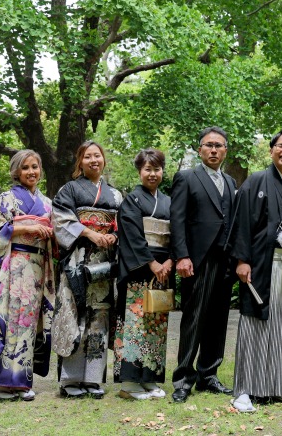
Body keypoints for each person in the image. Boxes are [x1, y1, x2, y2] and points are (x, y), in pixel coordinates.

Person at [230, 128, 282, 413]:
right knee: (256, 320)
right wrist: (242, 260)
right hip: (262, 264)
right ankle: (243, 389)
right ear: (271, 151)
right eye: (280, 146)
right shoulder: (256, 181)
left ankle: (281, 386)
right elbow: (241, 222)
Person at [0, 150, 55, 401]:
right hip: (13, 265)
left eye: (35, 166)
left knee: (27, 325)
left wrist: (50, 235)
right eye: (25, 167)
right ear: (16, 172)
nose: (31, 172)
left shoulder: (47, 203)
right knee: (7, 322)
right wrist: (26, 227)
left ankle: (21, 383)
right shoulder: (6, 198)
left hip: (37, 268)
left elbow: (55, 233)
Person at [51, 141, 123, 399]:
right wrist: (91, 233)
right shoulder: (69, 190)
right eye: (88, 156)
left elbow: (121, 223)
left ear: (104, 160)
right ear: (80, 162)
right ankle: (70, 381)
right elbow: (60, 220)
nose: (94, 160)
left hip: (104, 261)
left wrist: (114, 235)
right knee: (75, 315)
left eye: (98, 156)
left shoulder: (115, 194)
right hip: (78, 260)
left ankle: (93, 379)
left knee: (100, 318)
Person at [170, 126, 237, 403]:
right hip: (197, 260)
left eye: (218, 146)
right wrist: (182, 256)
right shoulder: (187, 178)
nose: (213, 150)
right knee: (194, 319)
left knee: (218, 320)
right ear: (200, 150)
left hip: (225, 259)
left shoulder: (231, 182)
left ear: (225, 151)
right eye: (208, 145)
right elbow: (178, 220)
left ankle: (208, 375)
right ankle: (183, 379)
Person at [113, 149, 173, 400]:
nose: (153, 174)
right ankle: (129, 383)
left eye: (157, 169)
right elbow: (132, 235)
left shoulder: (169, 201)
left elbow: (178, 233)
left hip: (164, 268)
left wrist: (171, 260)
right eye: (148, 169)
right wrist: (151, 263)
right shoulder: (132, 201)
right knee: (136, 324)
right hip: (140, 269)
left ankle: (149, 379)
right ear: (139, 171)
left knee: (155, 324)